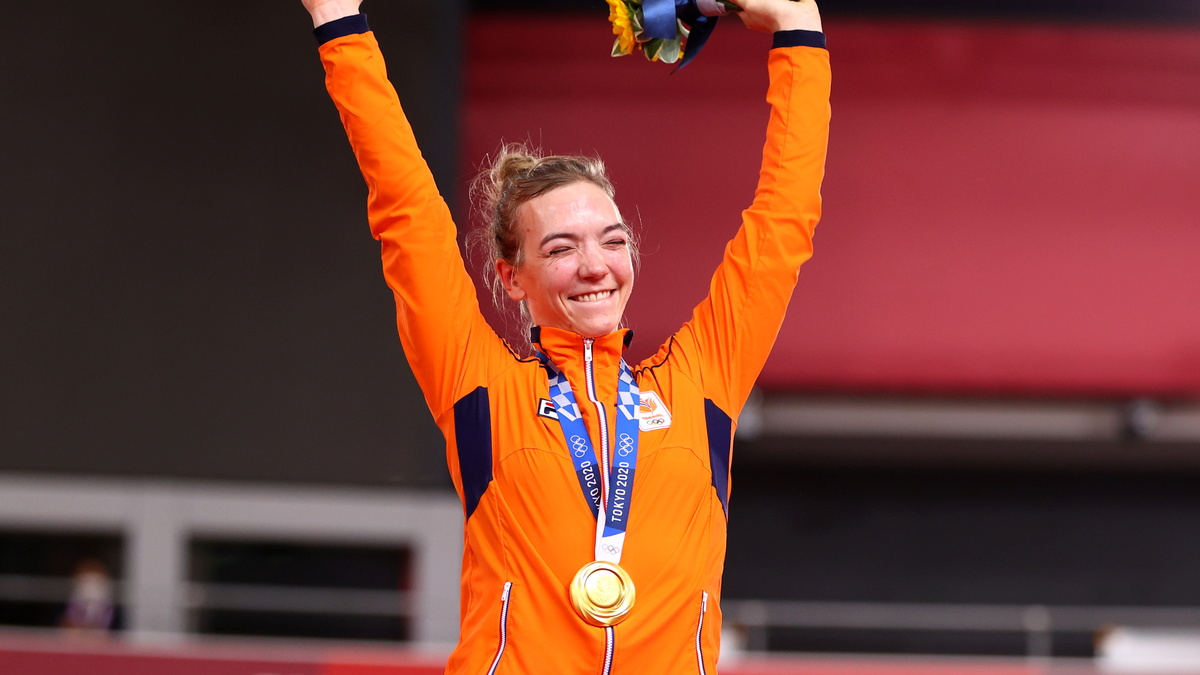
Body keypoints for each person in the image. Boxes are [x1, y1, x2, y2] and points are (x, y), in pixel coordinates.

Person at [300, 0, 828, 671]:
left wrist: (798, 30)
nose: (594, 265)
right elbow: (407, 212)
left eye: (612, 240)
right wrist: (339, 22)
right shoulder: (482, 389)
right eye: (560, 248)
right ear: (511, 277)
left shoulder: (701, 384)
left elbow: (783, 224)